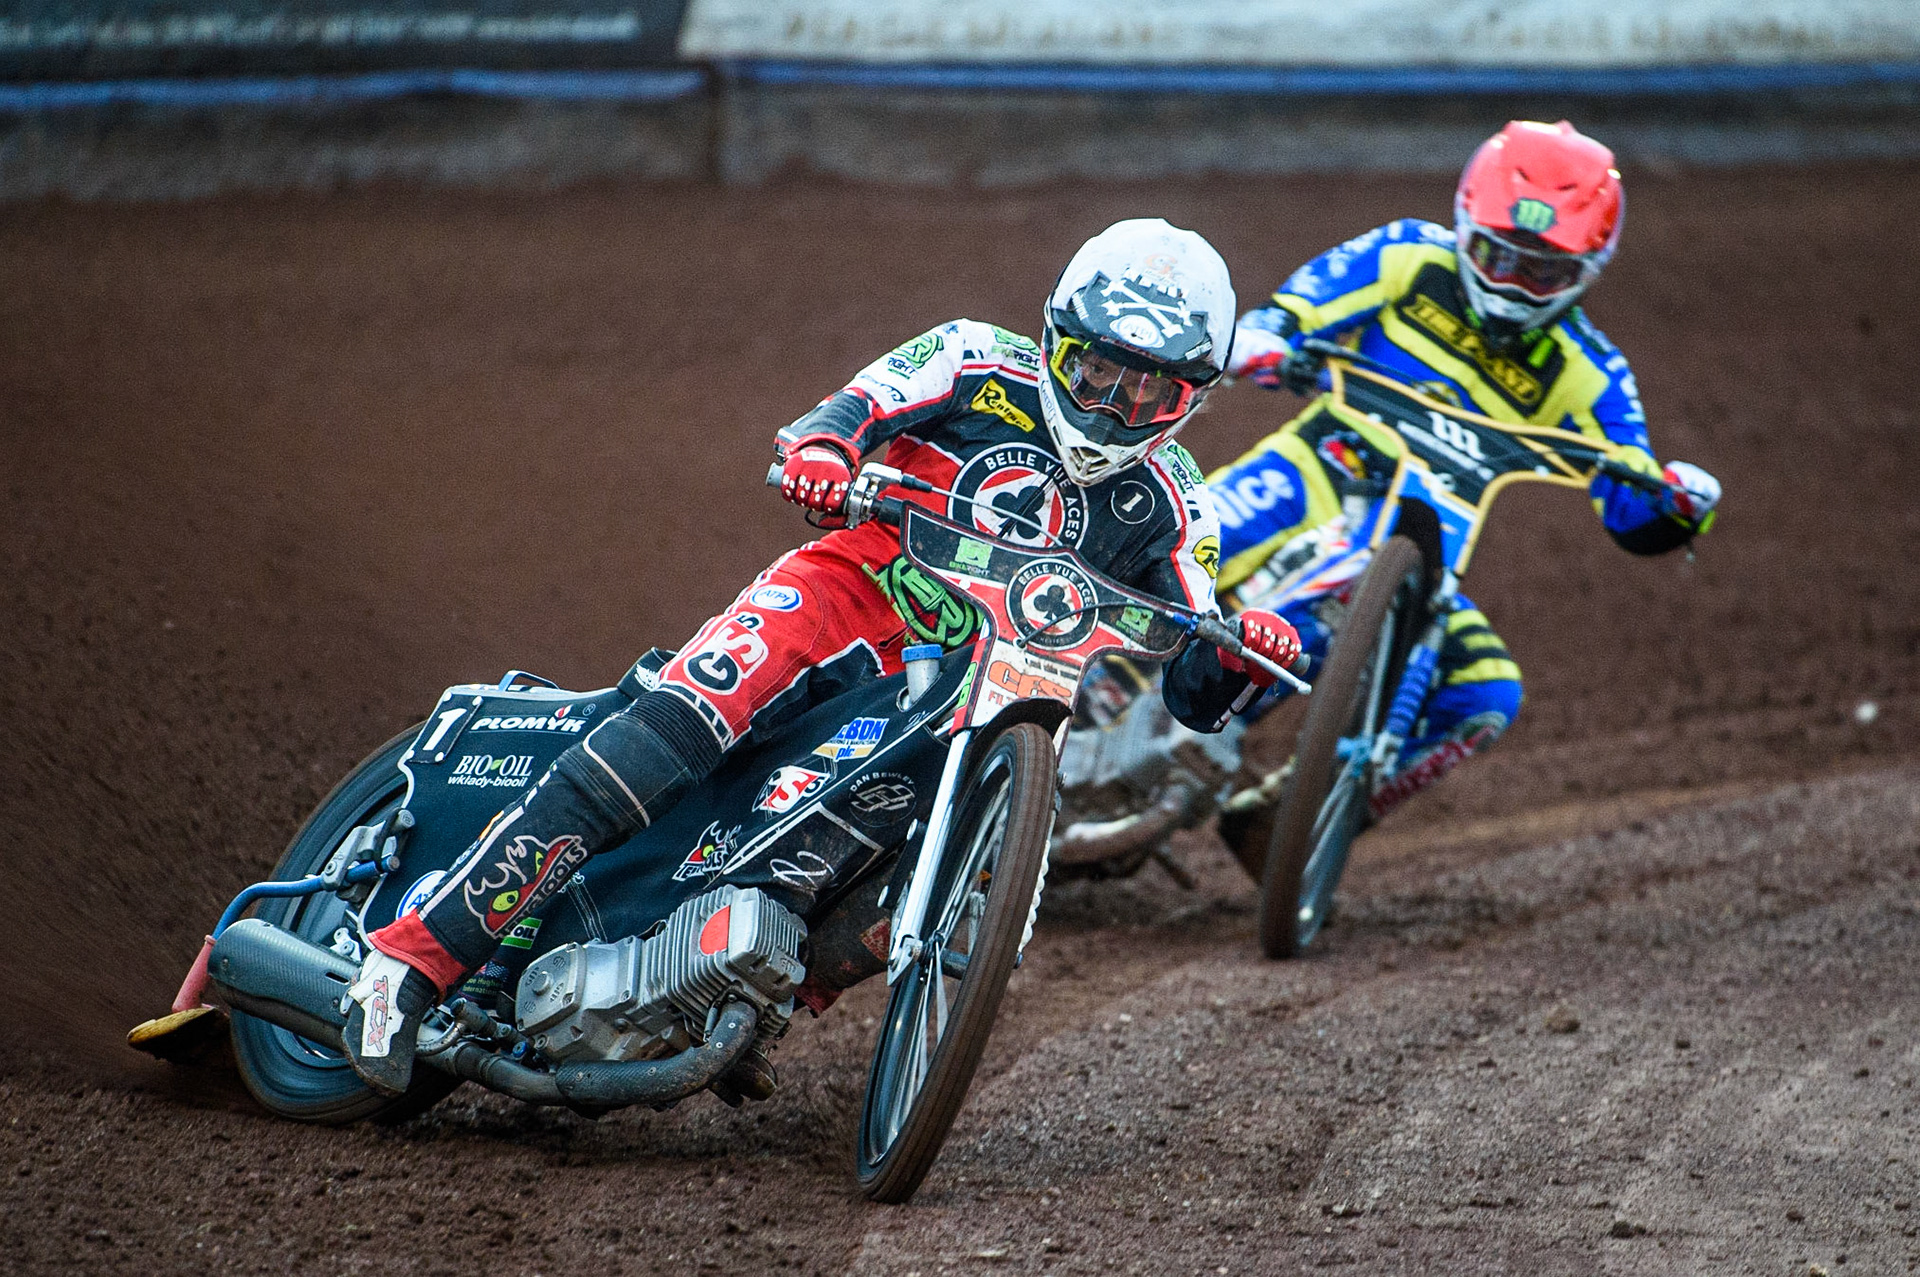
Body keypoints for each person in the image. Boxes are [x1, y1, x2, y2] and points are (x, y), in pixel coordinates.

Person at [340, 218, 1305, 1094]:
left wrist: (1244, 653)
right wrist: (827, 456)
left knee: (942, 850)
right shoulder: (975, 357)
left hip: (975, 686)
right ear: (1055, 339)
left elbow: (1193, 677)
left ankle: (754, 1004)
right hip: (842, 595)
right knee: (674, 731)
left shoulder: (1177, 502)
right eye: (1096, 371)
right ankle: (409, 961)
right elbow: (848, 412)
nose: (1113, 404)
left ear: (1193, 397)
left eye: (1150, 387)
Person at [1215, 119, 1721, 824]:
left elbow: (1630, 500)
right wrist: (1264, 347)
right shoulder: (1407, 255)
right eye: (1497, 255)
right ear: (1464, 226)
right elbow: (1286, 316)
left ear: (1585, 271)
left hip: (1428, 549)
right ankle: (1066, 700)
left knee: (1485, 695)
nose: (1514, 284)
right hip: (1316, 470)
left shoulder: (1594, 373)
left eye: (1542, 272)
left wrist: (1680, 503)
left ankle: (1288, 828)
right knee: (1174, 550)